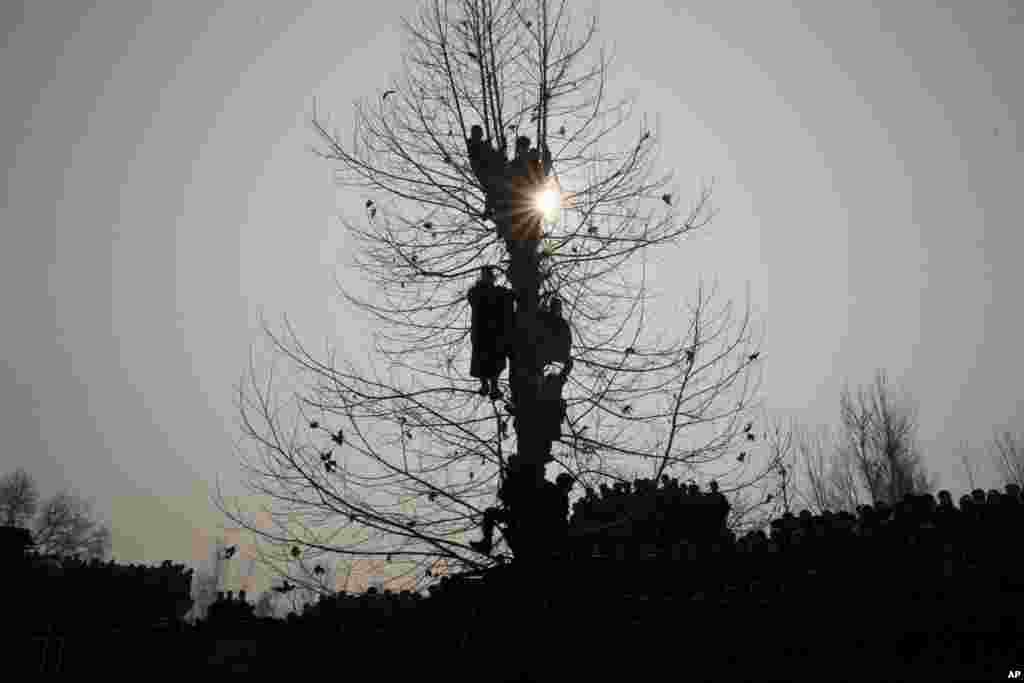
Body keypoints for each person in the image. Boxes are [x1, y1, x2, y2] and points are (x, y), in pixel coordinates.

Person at [467, 266, 515, 399]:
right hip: (483, 332)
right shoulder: (476, 292)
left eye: (489, 276)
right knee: (482, 359)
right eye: (485, 276)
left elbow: (512, 296)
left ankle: (493, 386)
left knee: (496, 360)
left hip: (495, 333)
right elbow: (509, 297)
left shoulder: (497, 292)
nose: (488, 279)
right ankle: (485, 385)